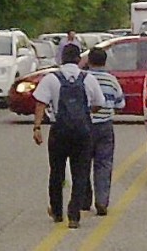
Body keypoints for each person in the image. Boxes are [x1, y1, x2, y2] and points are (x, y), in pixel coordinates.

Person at [32, 44, 105, 229]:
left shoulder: (51, 78)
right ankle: (74, 215)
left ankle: (57, 211)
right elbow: (99, 103)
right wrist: (85, 112)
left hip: (59, 131)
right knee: (80, 172)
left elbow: (40, 103)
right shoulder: (88, 78)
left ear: (62, 58)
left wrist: (37, 127)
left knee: (56, 171)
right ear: (79, 59)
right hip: (82, 131)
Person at [82, 48, 125, 216]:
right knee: (104, 164)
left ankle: (84, 200)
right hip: (105, 126)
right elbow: (120, 104)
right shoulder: (111, 80)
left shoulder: (83, 79)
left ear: (89, 61)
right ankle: (102, 201)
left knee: (83, 163)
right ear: (105, 62)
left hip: (85, 125)